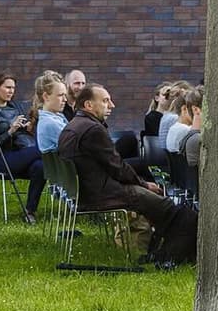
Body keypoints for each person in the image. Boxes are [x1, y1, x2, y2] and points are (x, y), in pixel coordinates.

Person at [57, 85, 175, 226]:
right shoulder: (93, 129)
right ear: (88, 105)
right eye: (106, 101)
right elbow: (116, 167)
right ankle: (171, 243)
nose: (112, 105)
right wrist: (144, 185)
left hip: (85, 191)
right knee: (166, 205)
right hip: (100, 194)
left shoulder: (71, 126)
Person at [0, 70, 45, 222]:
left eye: (13, 88)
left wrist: (28, 126)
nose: (11, 91)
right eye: (7, 87)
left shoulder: (16, 107)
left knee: (41, 166)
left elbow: (27, 134)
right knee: (43, 151)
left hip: (24, 153)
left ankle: (29, 212)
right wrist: (10, 131)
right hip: (3, 160)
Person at [30, 71, 69, 156]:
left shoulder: (54, 118)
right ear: (46, 96)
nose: (65, 100)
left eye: (65, 95)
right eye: (60, 95)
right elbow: (80, 145)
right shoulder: (50, 123)